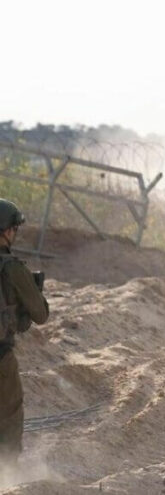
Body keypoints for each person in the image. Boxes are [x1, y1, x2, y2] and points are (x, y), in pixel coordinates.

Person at [0, 199, 49, 466]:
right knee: (9, 414)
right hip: (0, 357)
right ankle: (6, 474)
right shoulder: (12, 268)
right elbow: (40, 315)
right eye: (13, 229)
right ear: (6, 230)